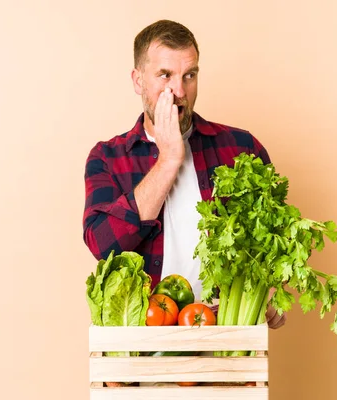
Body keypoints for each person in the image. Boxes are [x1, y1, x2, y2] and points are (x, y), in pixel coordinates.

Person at [83, 19, 285, 329]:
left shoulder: (242, 148)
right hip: (142, 348)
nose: (179, 90)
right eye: (165, 75)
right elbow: (102, 244)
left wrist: (273, 293)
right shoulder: (108, 158)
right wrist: (169, 159)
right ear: (138, 81)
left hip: (224, 340)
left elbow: (276, 244)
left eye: (189, 75)